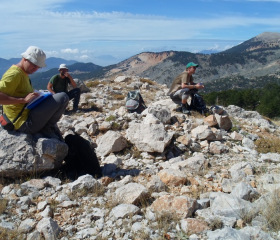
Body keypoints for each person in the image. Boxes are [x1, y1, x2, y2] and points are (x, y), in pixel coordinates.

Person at [0, 46, 69, 139]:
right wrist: (23, 100)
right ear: (25, 59)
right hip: (23, 123)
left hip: (25, 115)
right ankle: (47, 128)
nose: (35, 68)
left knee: (53, 97)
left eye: (38, 66)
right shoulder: (14, 74)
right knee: (63, 97)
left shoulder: (22, 72)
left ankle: (46, 126)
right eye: (34, 64)